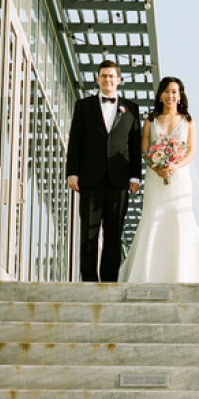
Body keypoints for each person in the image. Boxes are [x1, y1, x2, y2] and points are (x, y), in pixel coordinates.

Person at [120, 76, 199, 284]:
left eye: (174, 92)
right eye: (166, 91)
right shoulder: (151, 120)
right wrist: (157, 167)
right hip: (156, 177)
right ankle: (148, 272)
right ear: (160, 95)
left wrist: (175, 165)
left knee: (179, 216)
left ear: (180, 95)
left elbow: (191, 151)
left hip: (179, 177)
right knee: (153, 216)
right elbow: (144, 150)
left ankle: (184, 271)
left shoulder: (188, 121)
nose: (170, 96)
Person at [66, 59, 142, 282]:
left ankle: (110, 281)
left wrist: (135, 176)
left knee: (114, 233)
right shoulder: (83, 106)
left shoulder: (131, 109)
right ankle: (88, 281)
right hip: (90, 178)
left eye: (111, 76)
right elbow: (75, 141)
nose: (108, 80)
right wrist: (72, 172)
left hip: (120, 180)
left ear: (119, 80)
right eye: (104, 76)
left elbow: (135, 145)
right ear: (97, 79)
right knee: (88, 233)